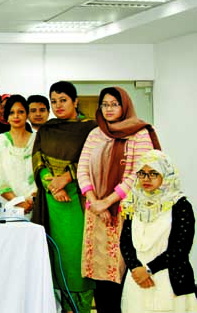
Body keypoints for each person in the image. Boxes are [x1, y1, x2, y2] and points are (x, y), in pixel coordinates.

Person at [77, 87, 160, 312]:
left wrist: (109, 201)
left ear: (125, 106)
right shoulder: (95, 134)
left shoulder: (139, 133)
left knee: (126, 271)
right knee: (101, 276)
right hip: (96, 215)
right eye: (105, 104)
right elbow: (82, 168)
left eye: (114, 104)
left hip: (127, 213)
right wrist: (94, 200)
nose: (109, 109)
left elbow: (140, 172)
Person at [30, 81, 98, 313]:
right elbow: (37, 160)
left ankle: (82, 308)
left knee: (77, 256)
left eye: (63, 100)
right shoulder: (47, 129)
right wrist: (52, 184)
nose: (58, 106)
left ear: (75, 101)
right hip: (51, 202)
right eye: (54, 102)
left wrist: (66, 178)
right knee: (54, 256)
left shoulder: (91, 128)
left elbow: (93, 160)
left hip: (79, 200)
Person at [119, 150, 197, 312]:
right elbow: (125, 242)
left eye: (153, 173)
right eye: (142, 173)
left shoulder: (180, 206)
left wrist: (148, 270)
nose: (146, 179)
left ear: (165, 175)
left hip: (169, 280)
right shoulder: (133, 203)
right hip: (138, 281)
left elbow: (180, 248)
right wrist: (136, 269)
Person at [0, 95, 36, 217]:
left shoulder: (37, 141)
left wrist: (30, 200)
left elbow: (41, 171)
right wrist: (17, 201)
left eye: (20, 112)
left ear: (27, 114)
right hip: (4, 206)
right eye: (11, 113)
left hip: (32, 205)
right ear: (6, 116)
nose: (16, 116)